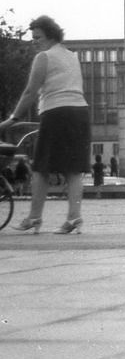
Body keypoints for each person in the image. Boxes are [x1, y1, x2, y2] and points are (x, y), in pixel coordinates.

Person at [0, 16, 91, 234]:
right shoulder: (72, 56)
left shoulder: (44, 57)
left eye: (37, 37)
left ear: (50, 35)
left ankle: (34, 217)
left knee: (40, 167)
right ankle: (74, 217)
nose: (34, 41)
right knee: (74, 169)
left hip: (56, 111)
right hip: (80, 112)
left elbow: (31, 91)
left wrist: (13, 118)